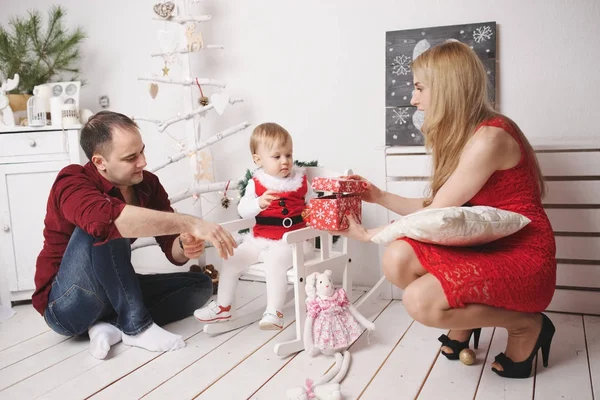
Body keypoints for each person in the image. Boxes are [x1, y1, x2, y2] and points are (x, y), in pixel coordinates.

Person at [336, 41, 556, 379]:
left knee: (420, 302)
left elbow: (435, 212)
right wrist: (378, 196)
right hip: (483, 244)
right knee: (397, 258)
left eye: (420, 87)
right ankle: (467, 325)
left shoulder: (490, 138)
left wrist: (368, 235)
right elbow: (439, 208)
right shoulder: (466, 134)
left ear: (447, 86)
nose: (413, 98)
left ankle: (526, 326)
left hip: (522, 255)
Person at [33, 111, 237, 359]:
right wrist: (193, 222)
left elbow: (170, 247)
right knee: (103, 223)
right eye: (131, 157)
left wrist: (183, 245)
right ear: (100, 162)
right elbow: (105, 222)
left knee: (199, 286)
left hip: (109, 292)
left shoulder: (148, 184)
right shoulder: (72, 180)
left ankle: (108, 325)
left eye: (142, 151)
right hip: (65, 306)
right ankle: (136, 326)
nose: (143, 161)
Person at [194, 122, 313, 330]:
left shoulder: (300, 181)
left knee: (273, 260)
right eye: (277, 157)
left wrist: (311, 213)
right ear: (258, 160)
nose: (285, 161)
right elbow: (244, 210)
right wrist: (258, 203)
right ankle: (224, 307)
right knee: (231, 258)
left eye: (288, 155)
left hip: (294, 242)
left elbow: (312, 206)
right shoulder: (256, 183)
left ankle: (274, 312)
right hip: (261, 238)